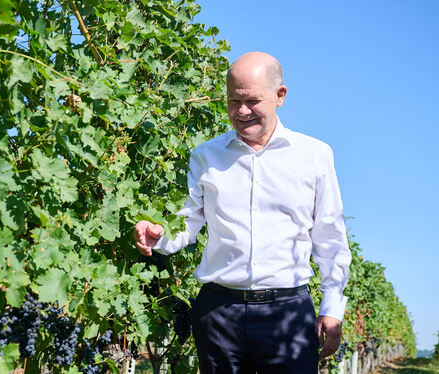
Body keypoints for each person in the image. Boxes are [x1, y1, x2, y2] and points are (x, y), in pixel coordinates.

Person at [134, 51, 351, 373]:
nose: (242, 111)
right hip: (219, 313)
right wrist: (159, 235)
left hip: (288, 313)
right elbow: (187, 223)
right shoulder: (205, 155)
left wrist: (332, 307)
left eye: (252, 101)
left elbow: (329, 236)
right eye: (233, 101)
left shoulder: (314, 155)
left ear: (280, 96)